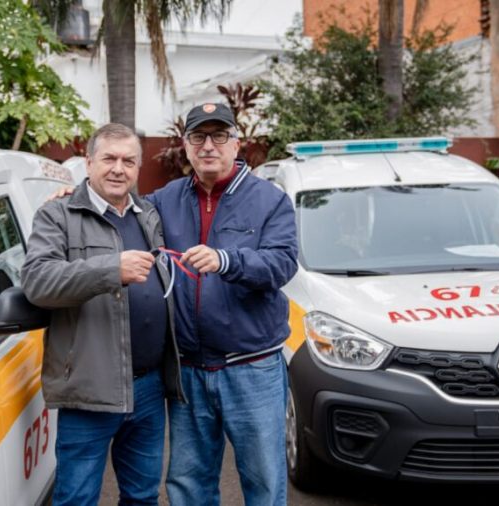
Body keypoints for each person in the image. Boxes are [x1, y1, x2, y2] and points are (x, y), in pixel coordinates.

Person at [21, 123, 184, 506]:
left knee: (142, 496)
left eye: (129, 161)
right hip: (89, 389)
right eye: (109, 158)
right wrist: (111, 268)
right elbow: (38, 281)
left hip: (148, 389)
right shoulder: (58, 214)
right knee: (77, 498)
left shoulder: (148, 214)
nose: (118, 169)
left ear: (138, 167)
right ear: (89, 162)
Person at [147, 103, 298, 506]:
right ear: (186, 145)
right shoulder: (166, 198)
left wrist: (227, 260)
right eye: (198, 136)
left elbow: (282, 264)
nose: (208, 145)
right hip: (190, 369)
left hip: (252, 368)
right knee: (188, 484)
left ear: (236, 143)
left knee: (263, 482)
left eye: (219, 136)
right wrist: (76, 195)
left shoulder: (270, 200)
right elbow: (120, 214)